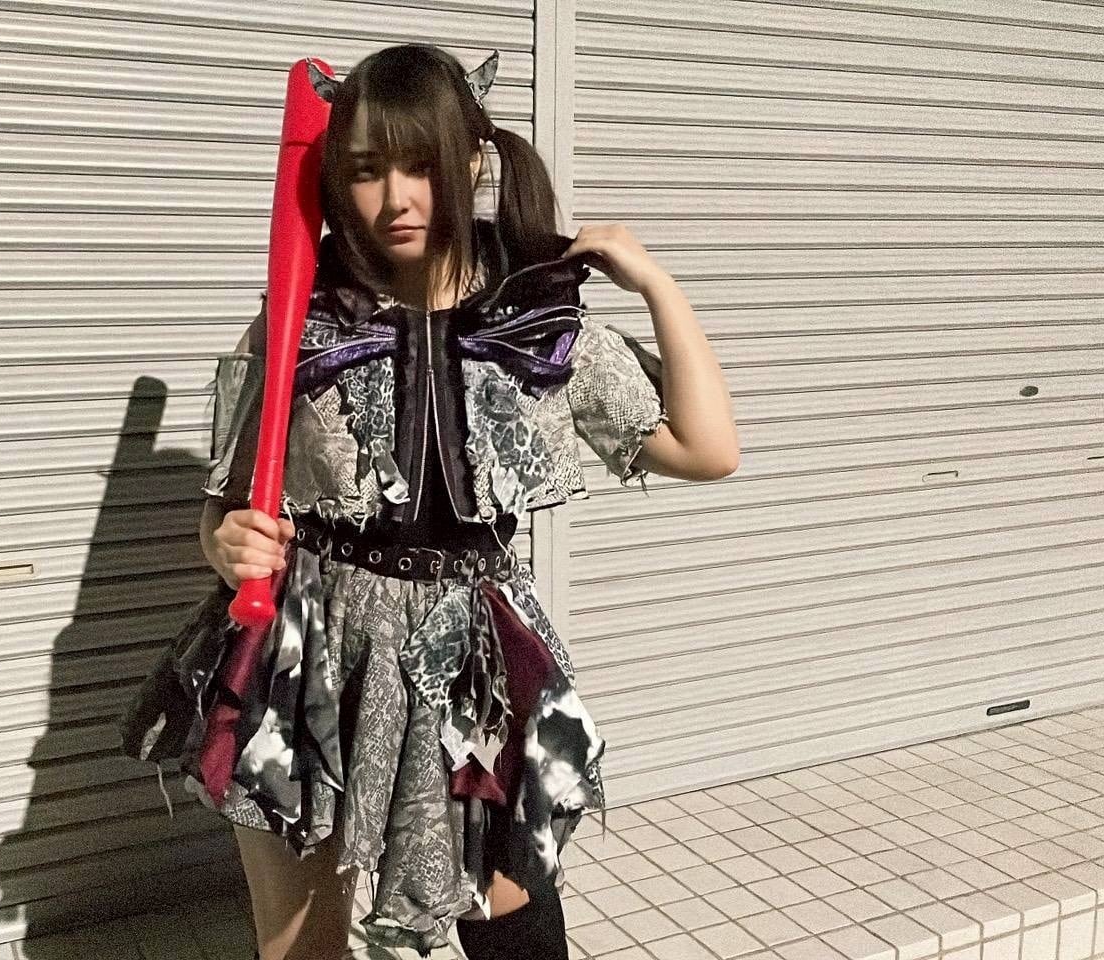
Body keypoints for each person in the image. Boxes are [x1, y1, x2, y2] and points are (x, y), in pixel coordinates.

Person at [122, 42, 740, 960]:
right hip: (306, 648)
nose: (396, 199)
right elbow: (229, 498)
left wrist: (656, 284)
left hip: (468, 657)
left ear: (474, 160)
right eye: (365, 170)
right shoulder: (301, 314)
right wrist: (223, 543)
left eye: (421, 165)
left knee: (510, 915)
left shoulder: (536, 321)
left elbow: (707, 449)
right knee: (298, 948)